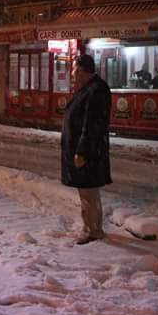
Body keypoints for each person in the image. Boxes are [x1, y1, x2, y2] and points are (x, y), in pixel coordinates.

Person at [61, 54, 112, 245]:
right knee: (85, 193)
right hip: (85, 151)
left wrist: (82, 151)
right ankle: (89, 226)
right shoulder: (88, 88)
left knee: (89, 193)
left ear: (83, 70)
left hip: (89, 154)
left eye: (74, 69)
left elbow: (92, 125)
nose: (72, 73)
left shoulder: (97, 90)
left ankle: (94, 231)